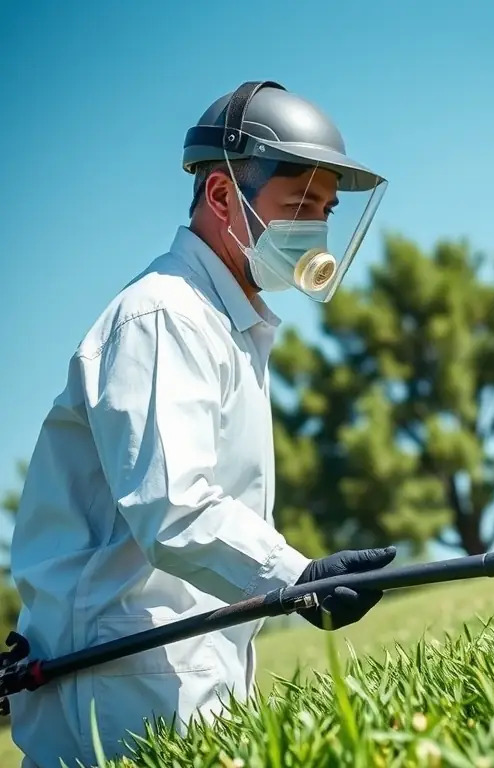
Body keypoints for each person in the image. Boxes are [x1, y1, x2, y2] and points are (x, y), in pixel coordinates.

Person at [8, 81, 397, 768]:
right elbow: (176, 508)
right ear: (223, 197)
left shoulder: (226, 326)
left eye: (327, 212)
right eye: (300, 207)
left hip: (172, 665)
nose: (317, 232)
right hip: (124, 677)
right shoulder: (165, 317)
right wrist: (298, 575)